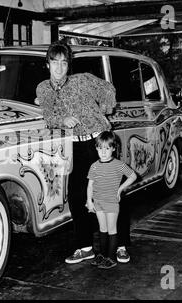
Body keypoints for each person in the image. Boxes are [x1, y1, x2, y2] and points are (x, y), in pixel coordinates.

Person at [36, 40, 131, 264]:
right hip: (76, 146)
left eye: (64, 62)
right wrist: (62, 119)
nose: (59, 67)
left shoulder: (83, 80)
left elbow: (109, 89)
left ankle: (121, 246)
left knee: (113, 193)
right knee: (77, 197)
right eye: (54, 62)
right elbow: (49, 117)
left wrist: (106, 110)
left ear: (69, 65)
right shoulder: (42, 89)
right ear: (47, 64)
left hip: (99, 142)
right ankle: (85, 247)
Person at [86, 131, 137, 269]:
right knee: (102, 229)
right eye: (100, 148)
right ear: (96, 148)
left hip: (111, 202)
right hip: (98, 201)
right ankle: (102, 255)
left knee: (111, 229)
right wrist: (89, 201)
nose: (103, 152)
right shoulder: (94, 166)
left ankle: (111, 257)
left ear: (113, 148)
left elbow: (133, 176)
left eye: (107, 148)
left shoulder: (118, 164)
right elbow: (90, 185)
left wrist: (120, 189)